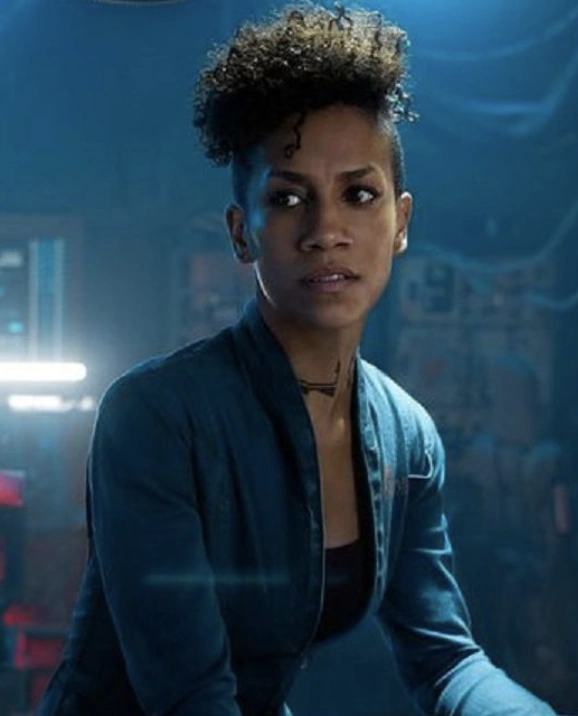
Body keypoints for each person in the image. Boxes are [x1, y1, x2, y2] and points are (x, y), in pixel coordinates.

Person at [38, 3, 559, 715]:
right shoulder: (158, 416)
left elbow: (446, 659)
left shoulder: (407, 436)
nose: (326, 230)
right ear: (241, 232)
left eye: (359, 194)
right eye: (288, 198)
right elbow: (192, 695)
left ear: (401, 222)